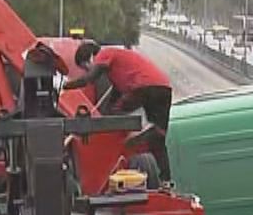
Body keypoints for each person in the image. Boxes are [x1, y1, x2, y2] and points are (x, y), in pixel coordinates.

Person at [61, 40, 175, 183]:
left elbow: (88, 79)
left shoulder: (104, 53)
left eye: (86, 66)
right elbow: (114, 99)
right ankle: (166, 179)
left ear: (90, 56)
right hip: (163, 87)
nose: (88, 69)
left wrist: (65, 86)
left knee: (116, 114)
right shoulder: (117, 70)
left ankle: (125, 143)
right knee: (158, 139)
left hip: (143, 86)